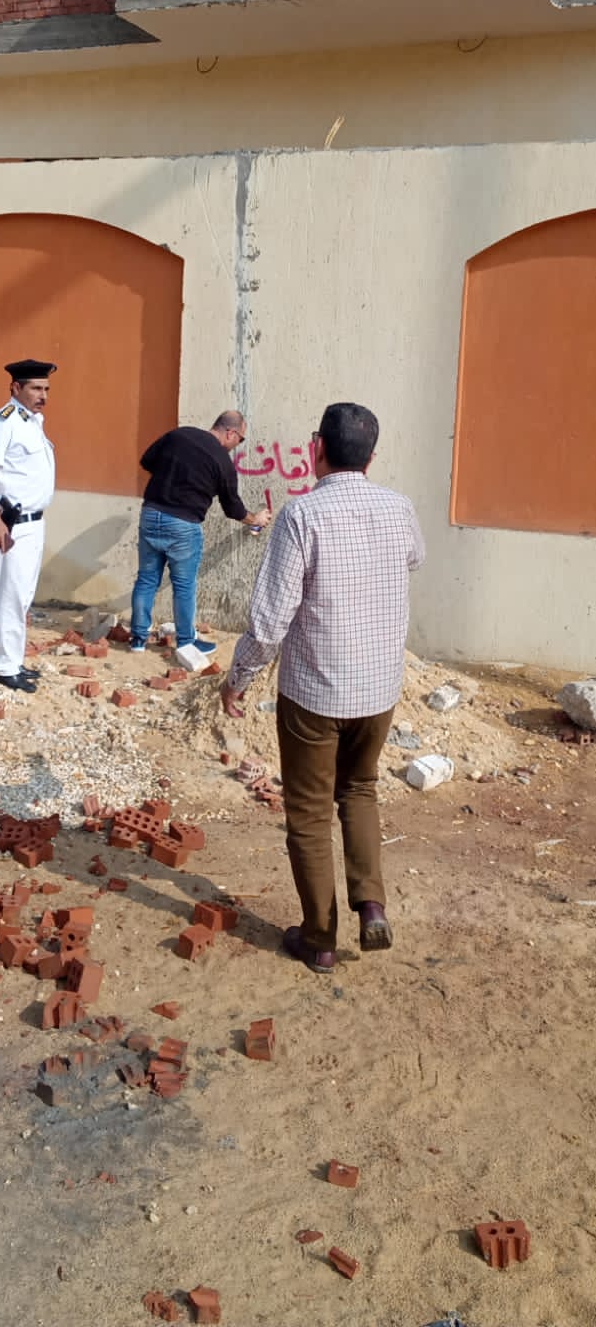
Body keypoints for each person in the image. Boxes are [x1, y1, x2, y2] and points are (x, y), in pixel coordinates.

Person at [221, 401, 425, 971]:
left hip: (315, 693)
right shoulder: (400, 508)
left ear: (316, 449)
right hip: (378, 689)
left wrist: (238, 678)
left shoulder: (301, 516)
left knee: (309, 813)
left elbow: (270, 621)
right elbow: (414, 558)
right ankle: (372, 905)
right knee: (359, 789)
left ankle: (319, 939)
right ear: (372, 457)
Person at [130, 411, 271, 671]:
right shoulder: (222, 461)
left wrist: (170, 477)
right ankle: (186, 642)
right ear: (230, 433)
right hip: (183, 524)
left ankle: (137, 640)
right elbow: (233, 508)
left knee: (147, 579)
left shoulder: (179, 435)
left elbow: (147, 460)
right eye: (240, 439)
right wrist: (256, 519)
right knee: (184, 585)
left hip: (151, 514)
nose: (237, 445)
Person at [0, 358, 57, 693]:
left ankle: (13, 659)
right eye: (36, 388)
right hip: (11, 524)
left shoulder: (32, 421)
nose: (43, 396)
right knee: (9, 595)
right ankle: (4, 666)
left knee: (22, 596)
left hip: (33, 523)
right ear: (16, 388)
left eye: (46, 389)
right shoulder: (3, 422)